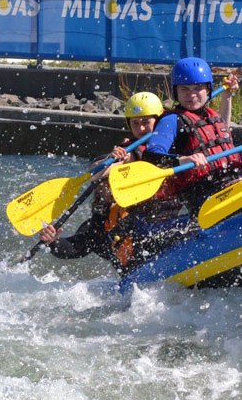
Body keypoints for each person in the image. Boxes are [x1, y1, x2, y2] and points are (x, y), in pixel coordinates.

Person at [37, 91, 167, 273]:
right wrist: (52, 242)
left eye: (146, 122)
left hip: (159, 222)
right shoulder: (102, 220)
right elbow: (75, 248)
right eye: (135, 123)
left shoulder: (165, 148)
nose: (141, 128)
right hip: (134, 270)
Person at [141, 57, 242, 213]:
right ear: (176, 92)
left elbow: (233, 166)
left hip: (228, 187)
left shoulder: (212, 117)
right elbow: (150, 156)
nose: (191, 95)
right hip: (200, 198)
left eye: (198, 88)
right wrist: (181, 160)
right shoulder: (171, 120)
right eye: (184, 89)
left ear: (208, 90)